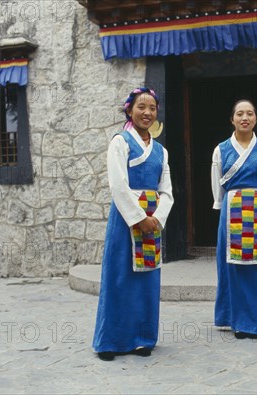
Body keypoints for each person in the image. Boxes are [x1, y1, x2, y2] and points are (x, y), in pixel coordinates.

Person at [93, 88, 174, 360]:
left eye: (152, 108)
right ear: (130, 110)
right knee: (119, 277)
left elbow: (167, 190)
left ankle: (142, 338)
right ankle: (110, 341)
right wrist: (139, 218)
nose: (147, 113)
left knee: (146, 279)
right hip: (126, 218)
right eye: (141, 107)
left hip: (153, 219)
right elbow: (117, 184)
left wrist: (157, 218)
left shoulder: (160, 150)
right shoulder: (120, 141)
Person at [211, 99, 257, 339]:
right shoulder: (221, 149)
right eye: (240, 114)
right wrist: (222, 204)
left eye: (250, 113)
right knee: (232, 266)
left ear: (256, 118)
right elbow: (216, 180)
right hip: (232, 210)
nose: (244, 118)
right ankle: (235, 319)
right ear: (232, 119)